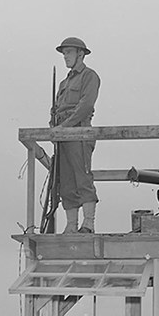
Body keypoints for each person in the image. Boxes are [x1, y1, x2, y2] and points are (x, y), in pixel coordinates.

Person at [51, 37, 100, 234]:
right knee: (66, 181)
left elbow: (86, 105)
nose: (65, 57)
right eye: (64, 53)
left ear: (81, 54)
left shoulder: (89, 76)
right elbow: (56, 109)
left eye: (69, 52)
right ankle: (71, 225)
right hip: (63, 134)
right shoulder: (64, 83)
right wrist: (54, 128)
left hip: (79, 131)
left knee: (82, 177)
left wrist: (65, 126)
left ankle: (88, 224)